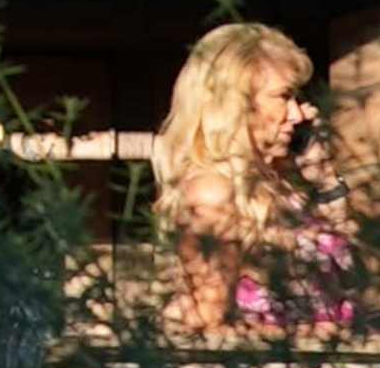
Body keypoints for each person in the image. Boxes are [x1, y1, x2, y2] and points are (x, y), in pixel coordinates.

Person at [152, 19, 355, 347]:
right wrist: (311, 337)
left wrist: (326, 181)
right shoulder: (213, 194)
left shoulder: (279, 183)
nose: (298, 113)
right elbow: (207, 328)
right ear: (235, 105)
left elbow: (348, 276)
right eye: (282, 97)